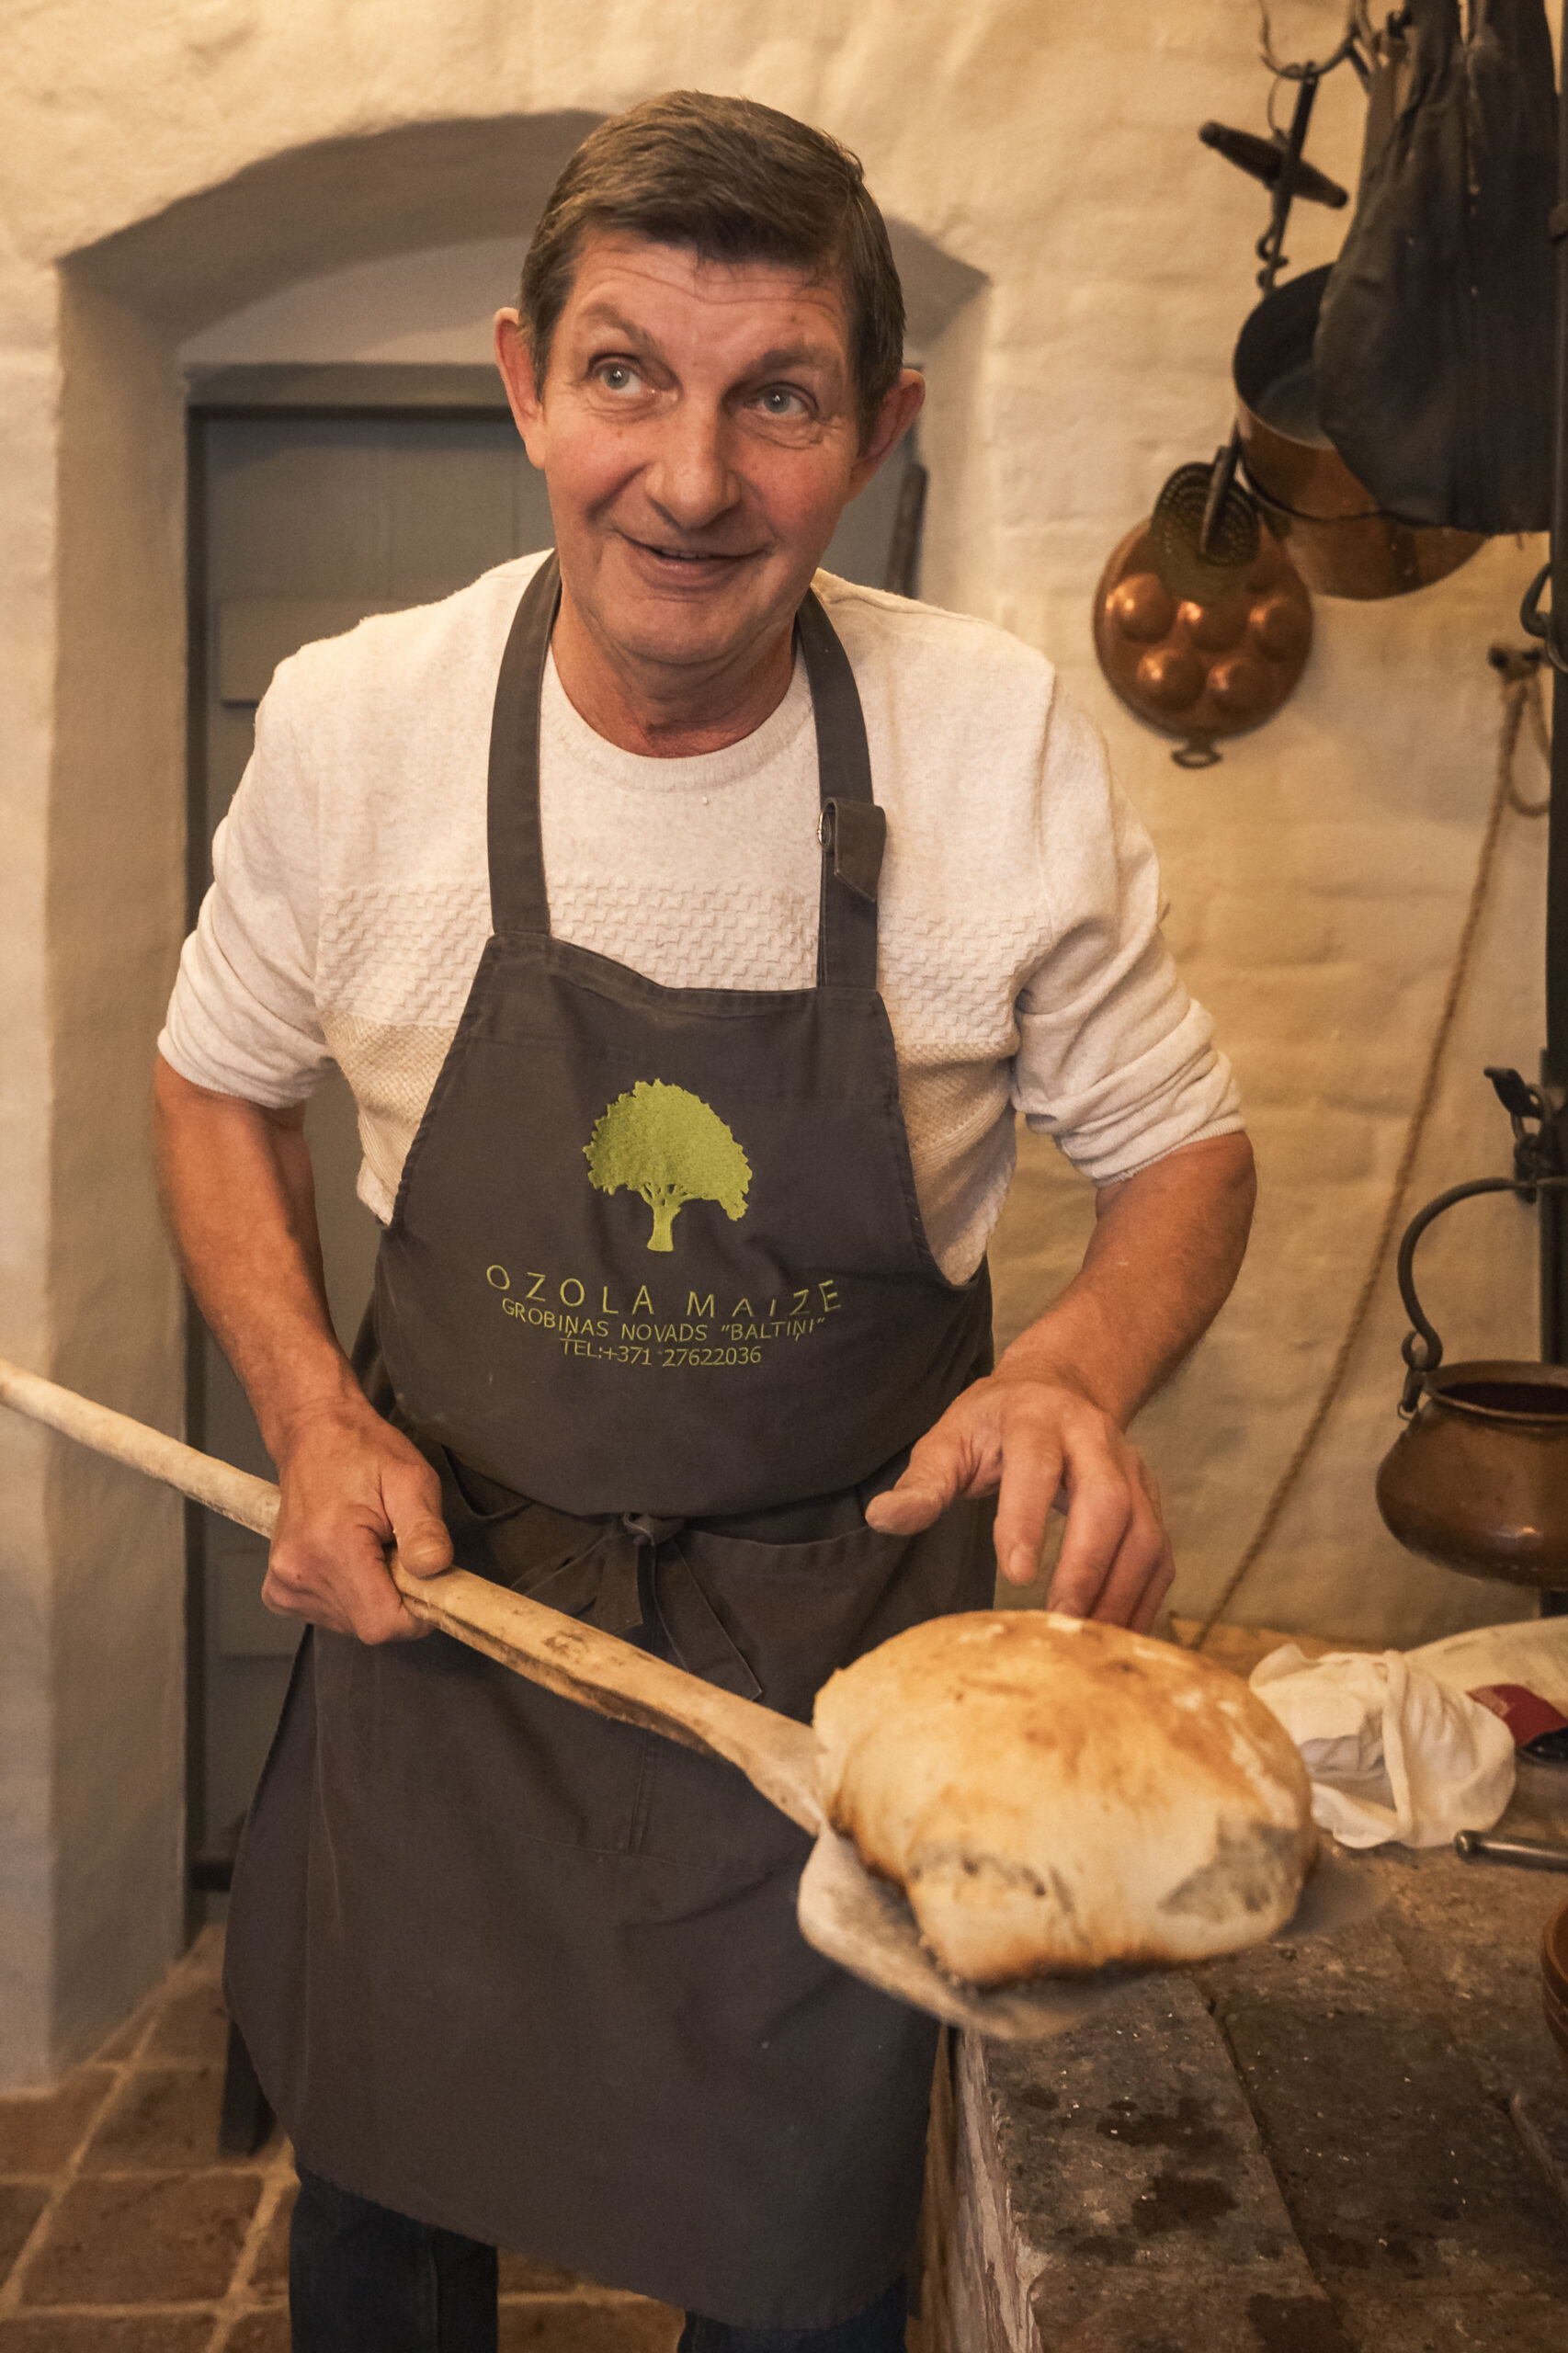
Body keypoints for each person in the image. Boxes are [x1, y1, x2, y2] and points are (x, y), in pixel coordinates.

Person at [153, 89, 1255, 2353]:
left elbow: (1185, 1151)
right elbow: (210, 1076)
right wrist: (310, 1409)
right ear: (523, 381)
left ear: (879, 427)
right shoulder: (360, 726)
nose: (686, 478)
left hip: (838, 1669)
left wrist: (1072, 1366)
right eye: (625, 374)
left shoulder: (987, 746)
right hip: (456, 1624)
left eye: (778, 398)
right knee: (386, 2218)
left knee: (806, 2271)